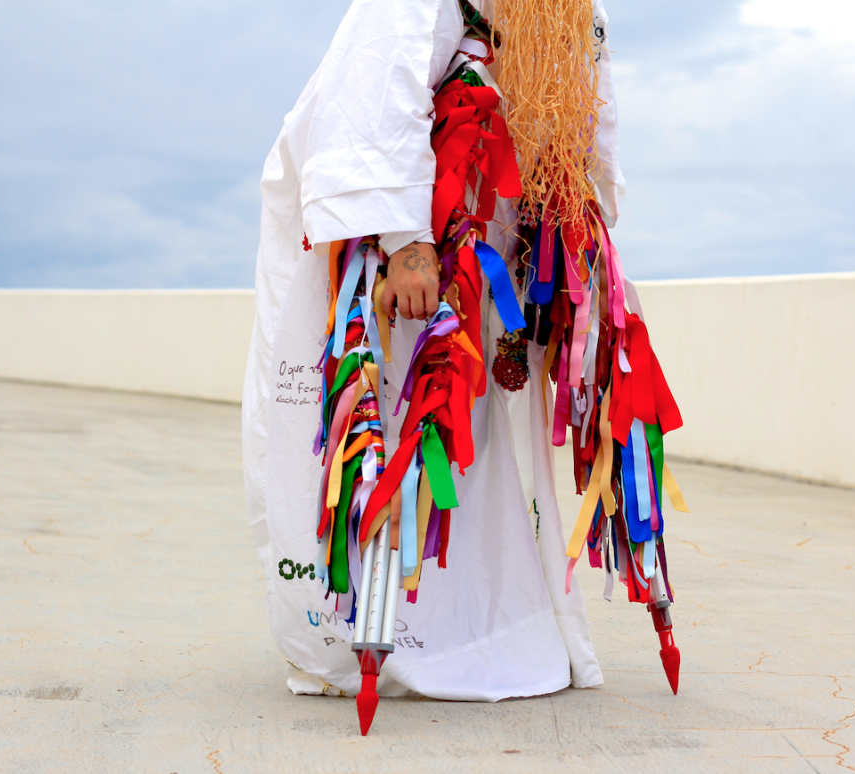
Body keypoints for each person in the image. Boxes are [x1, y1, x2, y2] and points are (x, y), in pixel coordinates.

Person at [242, 0, 686, 725]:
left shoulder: (579, 10)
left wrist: (577, 238)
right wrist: (405, 238)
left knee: (482, 436)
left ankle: (492, 623)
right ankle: (379, 632)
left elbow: (588, 115)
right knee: (399, 426)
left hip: (502, 240)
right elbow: (377, 91)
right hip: (414, 231)